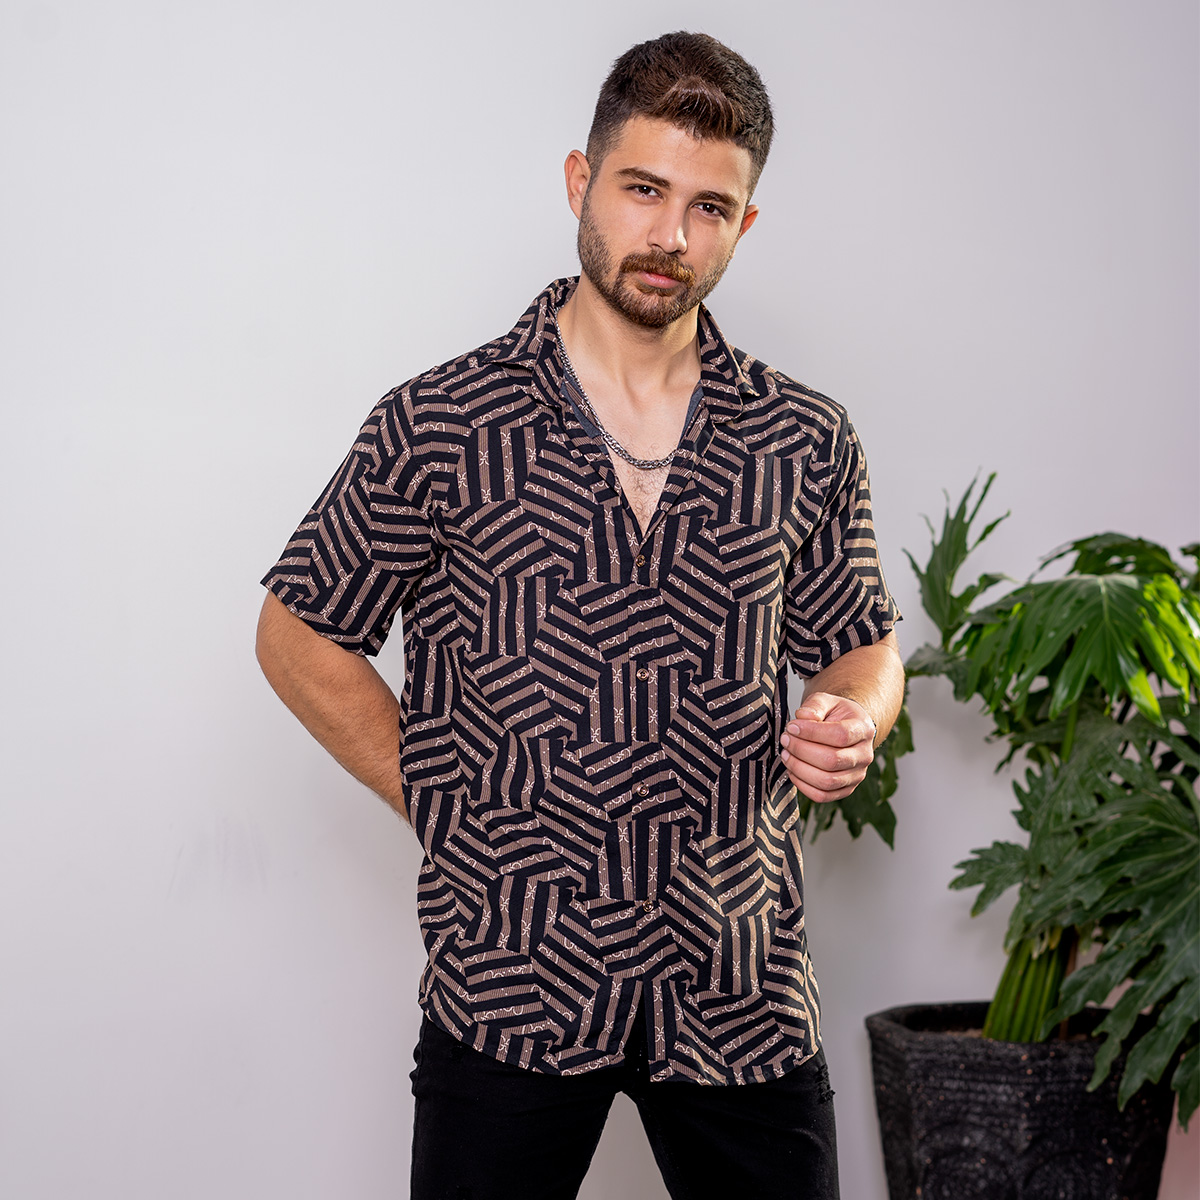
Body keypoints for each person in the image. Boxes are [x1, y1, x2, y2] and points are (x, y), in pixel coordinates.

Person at [257, 30, 903, 1200]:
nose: (671, 235)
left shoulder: (804, 438)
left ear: (746, 223)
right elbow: (297, 630)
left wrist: (854, 711)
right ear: (580, 181)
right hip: (511, 975)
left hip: (738, 978)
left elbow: (861, 639)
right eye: (643, 189)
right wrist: (443, 799)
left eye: (710, 207)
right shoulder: (441, 423)